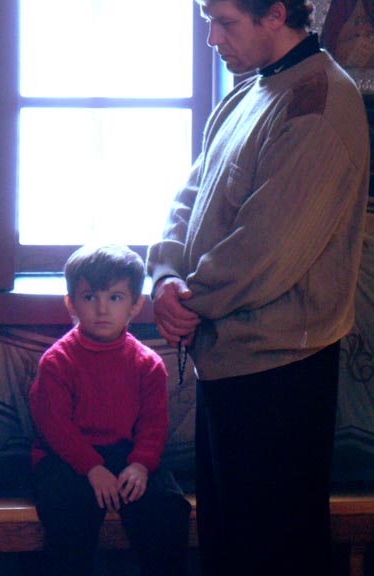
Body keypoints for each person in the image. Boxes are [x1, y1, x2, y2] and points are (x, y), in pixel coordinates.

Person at [147, 1, 370, 575]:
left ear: (275, 14)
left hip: (281, 374)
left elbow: (268, 247)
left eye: (225, 23)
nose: (212, 39)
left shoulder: (319, 101)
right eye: (208, 21)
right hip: (227, 362)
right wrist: (165, 274)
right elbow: (189, 195)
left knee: (272, 555)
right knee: (227, 546)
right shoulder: (249, 91)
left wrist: (188, 300)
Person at [29, 244, 191, 576]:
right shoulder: (57, 362)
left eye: (115, 297)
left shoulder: (148, 364)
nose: (102, 309)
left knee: (167, 508)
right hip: (66, 457)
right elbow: (54, 426)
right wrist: (92, 467)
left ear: (135, 305)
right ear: (71, 304)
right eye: (90, 297)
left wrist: (140, 465)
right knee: (69, 510)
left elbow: (153, 425)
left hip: (128, 455)